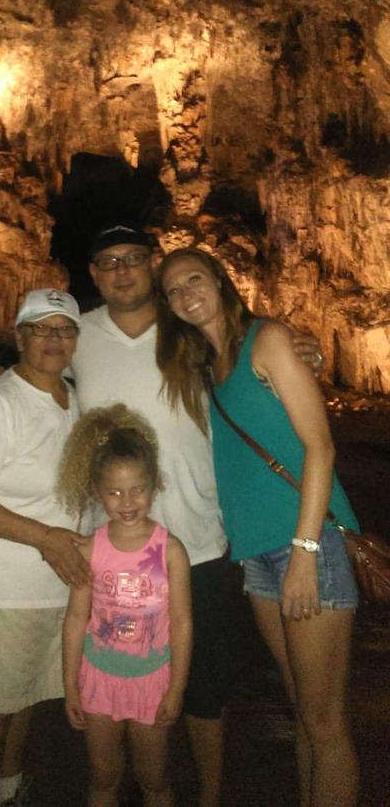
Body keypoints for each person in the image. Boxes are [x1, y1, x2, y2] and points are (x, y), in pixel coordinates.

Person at [70, 223, 321, 807]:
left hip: (200, 539)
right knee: (118, 676)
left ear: (152, 264)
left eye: (134, 258)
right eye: (108, 262)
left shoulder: (184, 329)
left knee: (204, 683)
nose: (123, 271)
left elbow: (247, 346)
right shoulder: (76, 337)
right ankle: (130, 783)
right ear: (93, 275)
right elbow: (39, 374)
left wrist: (295, 347)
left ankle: (208, 795)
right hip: (114, 545)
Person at [156, 247, 360, 807]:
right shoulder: (207, 367)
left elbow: (320, 448)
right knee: (303, 711)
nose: (184, 295)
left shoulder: (267, 341)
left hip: (306, 546)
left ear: (220, 280)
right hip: (260, 556)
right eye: (172, 291)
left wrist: (304, 552)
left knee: (325, 722)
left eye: (193, 279)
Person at [0, 288, 91, 807]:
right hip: (2, 585)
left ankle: (11, 786)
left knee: (26, 695)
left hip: (54, 586)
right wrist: (47, 539)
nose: (54, 339)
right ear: (22, 336)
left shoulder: (75, 397)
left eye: (65, 329)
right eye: (42, 328)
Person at [58, 404, 192, 807]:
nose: (127, 501)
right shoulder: (90, 547)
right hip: (98, 679)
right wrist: (70, 685)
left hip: (153, 680)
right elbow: (76, 618)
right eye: (114, 492)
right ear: (98, 492)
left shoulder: (170, 551)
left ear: (155, 485)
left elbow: (182, 622)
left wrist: (177, 687)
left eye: (137, 489)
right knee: (103, 776)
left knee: (153, 778)